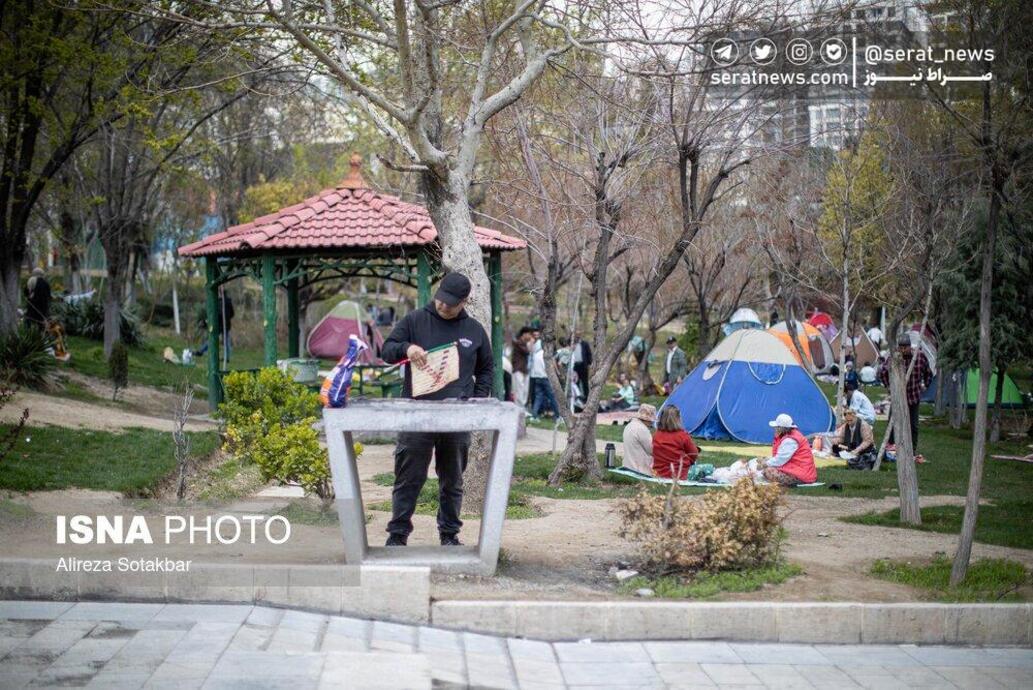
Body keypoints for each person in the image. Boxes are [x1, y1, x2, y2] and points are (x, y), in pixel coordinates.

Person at [380, 272, 494, 547]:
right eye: (441, 299)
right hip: (417, 414)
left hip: (457, 418)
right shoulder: (415, 320)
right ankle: (397, 535)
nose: (443, 306)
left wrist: (476, 402)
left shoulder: (474, 330)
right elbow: (387, 351)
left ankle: (449, 535)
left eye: (451, 303)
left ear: (464, 302)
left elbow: (486, 369)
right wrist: (406, 348)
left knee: (452, 480)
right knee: (408, 478)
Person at [879, 332, 933, 459]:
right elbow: (883, 372)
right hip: (898, 397)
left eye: (905, 347)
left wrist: (925, 385)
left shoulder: (919, 357)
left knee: (913, 425)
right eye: (901, 347)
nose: (903, 350)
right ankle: (891, 448)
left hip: (913, 396)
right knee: (892, 424)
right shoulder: (894, 358)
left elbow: (928, 373)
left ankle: (912, 450)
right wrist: (889, 387)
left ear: (910, 346)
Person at [758, 413, 817, 486]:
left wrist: (765, 464)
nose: (774, 429)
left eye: (776, 427)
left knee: (768, 471)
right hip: (797, 469)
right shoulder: (790, 436)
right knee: (763, 460)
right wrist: (766, 461)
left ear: (781, 428)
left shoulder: (790, 440)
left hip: (801, 475)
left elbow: (780, 460)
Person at [652, 405, 699, 479]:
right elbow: (694, 454)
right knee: (708, 468)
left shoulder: (656, 435)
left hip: (659, 474)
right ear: (678, 419)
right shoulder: (682, 436)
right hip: (680, 474)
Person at [194, 291, 235, 361]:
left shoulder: (219, 302)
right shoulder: (228, 301)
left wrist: (207, 321)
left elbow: (217, 314)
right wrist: (227, 318)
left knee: (212, 339)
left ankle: (201, 351)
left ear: (220, 294)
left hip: (219, 324)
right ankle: (227, 357)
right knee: (225, 341)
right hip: (225, 324)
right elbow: (232, 313)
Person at [528, 335, 560, 419]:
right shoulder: (546, 356)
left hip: (537, 378)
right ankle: (557, 415)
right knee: (552, 397)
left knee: (538, 397)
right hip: (545, 378)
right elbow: (547, 368)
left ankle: (534, 415)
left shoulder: (536, 355)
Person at [621, 404, 656, 475]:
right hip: (639, 470)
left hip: (628, 466)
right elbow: (652, 450)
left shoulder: (629, 425)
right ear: (647, 420)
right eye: (651, 421)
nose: (652, 423)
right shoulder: (642, 429)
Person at [510, 326, 533, 408]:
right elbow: (527, 352)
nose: (530, 336)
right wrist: (531, 343)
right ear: (524, 334)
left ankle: (522, 408)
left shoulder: (524, 344)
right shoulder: (518, 343)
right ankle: (519, 409)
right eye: (529, 334)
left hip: (524, 370)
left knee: (524, 391)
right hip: (518, 369)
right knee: (519, 391)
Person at [571, 333, 592, 403]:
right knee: (576, 382)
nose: (577, 337)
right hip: (575, 366)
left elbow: (589, 354)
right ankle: (578, 399)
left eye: (578, 335)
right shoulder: (572, 344)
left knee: (585, 383)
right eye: (575, 335)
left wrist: (589, 364)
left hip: (583, 365)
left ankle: (587, 399)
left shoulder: (584, 344)